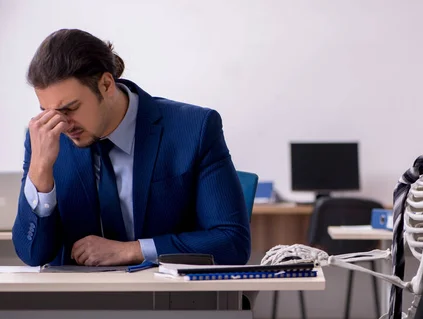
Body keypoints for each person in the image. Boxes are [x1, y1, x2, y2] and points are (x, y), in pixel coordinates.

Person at [12, 28, 251, 268]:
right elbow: (32, 254)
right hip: (78, 300)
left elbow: (232, 242)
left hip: (170, 298)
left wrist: (133, 250)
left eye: (70, 108)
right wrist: (40, 171)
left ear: (106, 84)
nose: (62, 124)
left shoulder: (193, 129)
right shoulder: (45, 139)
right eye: (49, 112)